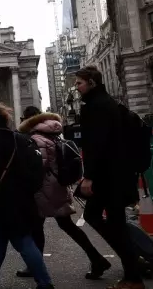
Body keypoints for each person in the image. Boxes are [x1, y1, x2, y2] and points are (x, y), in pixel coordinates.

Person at [15, 106, 109, 280]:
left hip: (43, 189)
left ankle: (35, 266)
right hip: (58, 186)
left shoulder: (37, 138)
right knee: (67, 226)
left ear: (30, 120)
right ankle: (96, 258)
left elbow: (39, 167)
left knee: (37, 227)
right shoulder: (54, 134)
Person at [0, 103, 54, 289]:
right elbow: (37, 170)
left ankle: (45, 282)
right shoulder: (21, 139)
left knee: (23, 241)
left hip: (4, 201)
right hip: (21, 199)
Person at [75, 65, 144, 289]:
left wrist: (89, 177)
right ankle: (132, 265)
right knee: (109, 221)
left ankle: (133, 274)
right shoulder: (108, 103)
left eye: (79, 83)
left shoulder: (96, 107)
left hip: (107, 177)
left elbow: (98, 145)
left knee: (108, 222)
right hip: (117, 174)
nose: (76, 88)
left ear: (91, 82)